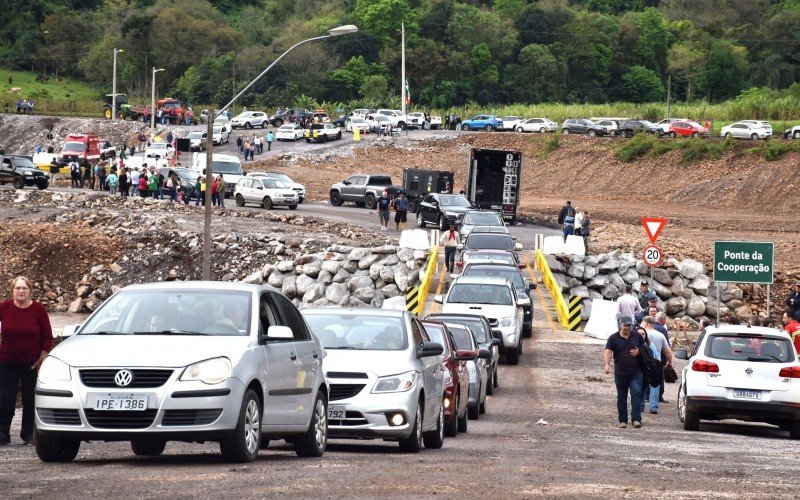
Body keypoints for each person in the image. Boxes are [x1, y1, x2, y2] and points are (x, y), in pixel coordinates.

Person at [0, 276, 53, 445]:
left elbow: (47, 335)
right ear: (12, 290)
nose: (21, 291)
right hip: (7, 361)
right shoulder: (4, 307)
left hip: (32, 362)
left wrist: (42, 358)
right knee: (5, 398)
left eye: (24, 288)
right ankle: (2, 434)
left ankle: (28, 434)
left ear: (30, 290)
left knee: (30, 399)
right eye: (18, 288)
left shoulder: (39, 310)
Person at [604, 315, 645, 428]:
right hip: (620, 373)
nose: (627, 327)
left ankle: (636, 419)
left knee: (636, 393)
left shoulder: (637, 336)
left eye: (629, 325)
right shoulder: (613, 338)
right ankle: (623, 421)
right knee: (621, 397)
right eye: (625, 325)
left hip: (636, 372)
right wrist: (607, 364)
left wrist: (639, 351)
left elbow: (646, 348)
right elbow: (608, 351)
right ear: (620, 325)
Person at [642, 316, 672, 414]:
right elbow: (667, 351)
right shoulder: (660, 335)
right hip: (656, 362)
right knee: (655, 385)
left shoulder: (640, 334)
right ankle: (653, 407)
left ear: (645, 323)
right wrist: (669, 362)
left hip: (643, 361)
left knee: (642, 383)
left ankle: (641, 406)